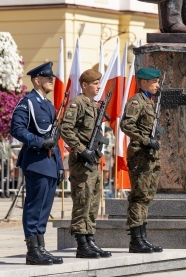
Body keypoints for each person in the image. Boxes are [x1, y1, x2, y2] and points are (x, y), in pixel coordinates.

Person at [11, 62, 64, 265]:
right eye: (47, 77)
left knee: (45, 206)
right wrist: (40, 142)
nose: (52, 80)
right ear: (36, 80)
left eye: (52, 77)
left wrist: (59, 165)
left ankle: (41, 247)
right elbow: (16, 129)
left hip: (49, 163)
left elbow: (54, 138)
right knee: (34, 206)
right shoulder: (28, 102)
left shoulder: (49, 106)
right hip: (36, 161)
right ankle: (32, 251)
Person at [60, 69, 111, 259]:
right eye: (95, 83)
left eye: (99, 83)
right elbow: (66, 129)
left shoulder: (92, 105)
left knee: (93, 201)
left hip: (94, 161)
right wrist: (82, 150)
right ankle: (81, 244)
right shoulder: (77, 104)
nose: (98, 87)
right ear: (84, 85)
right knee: (82, 200)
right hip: (82, 161)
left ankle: (90, 239)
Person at [120, 67, 163, 253]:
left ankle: (143, 237)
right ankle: (136, 239)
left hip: (150, 155)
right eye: (154, 82)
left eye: (157, 82)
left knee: (147, 196)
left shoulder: (151, 102)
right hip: (140, 155)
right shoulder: (137, 101)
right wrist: (146, 140)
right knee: (139, 197)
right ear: (143, 82)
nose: (157, 85)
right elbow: (126, 124)